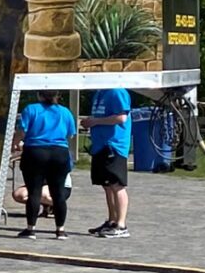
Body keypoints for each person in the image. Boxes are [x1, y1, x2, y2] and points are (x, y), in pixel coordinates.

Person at [14, 90, 77, 237]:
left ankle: (31, 229)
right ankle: (60, 230)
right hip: (59, 152)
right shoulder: (65, 112)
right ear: (57, 96)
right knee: (58, 193)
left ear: (39, 95)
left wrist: (16, 143)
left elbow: (22, 131)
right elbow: (71, 134)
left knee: (34, 191)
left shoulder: (31, 109)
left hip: (35, 151)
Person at [83, 84, 134, 237]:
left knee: (117, 184)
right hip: (100, 145)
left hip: (114, 145)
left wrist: (96, 122)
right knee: (106, 185)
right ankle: (112, 220)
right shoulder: (99, 92)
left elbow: (121, 117)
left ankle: (121, 224)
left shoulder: (116, 91)